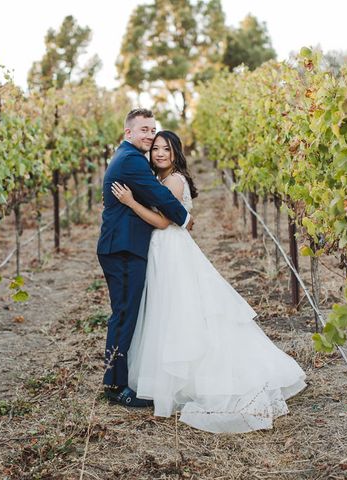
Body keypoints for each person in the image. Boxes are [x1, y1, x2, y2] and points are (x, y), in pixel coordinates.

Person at [110, 130, 306, 433]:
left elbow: (164, 221)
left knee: (178, 310)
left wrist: (131, 202)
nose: (159, 153)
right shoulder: (163, 179)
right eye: (156, 149)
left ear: (176, 153)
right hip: (165, 249)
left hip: (171, 248)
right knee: (171, 311)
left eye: (166, 149)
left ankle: (183, 377)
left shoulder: (174, 180)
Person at [97, 109, 194, 407]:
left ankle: (122, 378)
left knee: (127, 313)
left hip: (126, 245)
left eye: (152, 129)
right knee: (124, 314)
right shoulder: (131, 160)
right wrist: (185, 217)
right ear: (128, 133)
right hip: (123, 248)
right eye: (143, 130)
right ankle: (115, 385)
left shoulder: (129, 158)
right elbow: (159, 195)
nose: (150, 135)